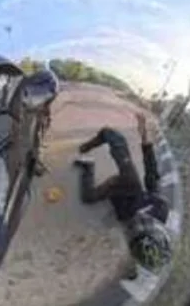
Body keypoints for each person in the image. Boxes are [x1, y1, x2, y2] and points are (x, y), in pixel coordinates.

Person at [73, 112, 173, 274]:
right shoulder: (160, 208)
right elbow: (151, 170)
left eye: (135, 234)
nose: (137, 226)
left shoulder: (136, 242)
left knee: (88, 197)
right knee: (114, 139)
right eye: (143, 226)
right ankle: (101, 140)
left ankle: (88, 166)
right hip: (130, 186)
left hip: (117, 198)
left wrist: (132, 270)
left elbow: (134, 261)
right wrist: (144, 133)